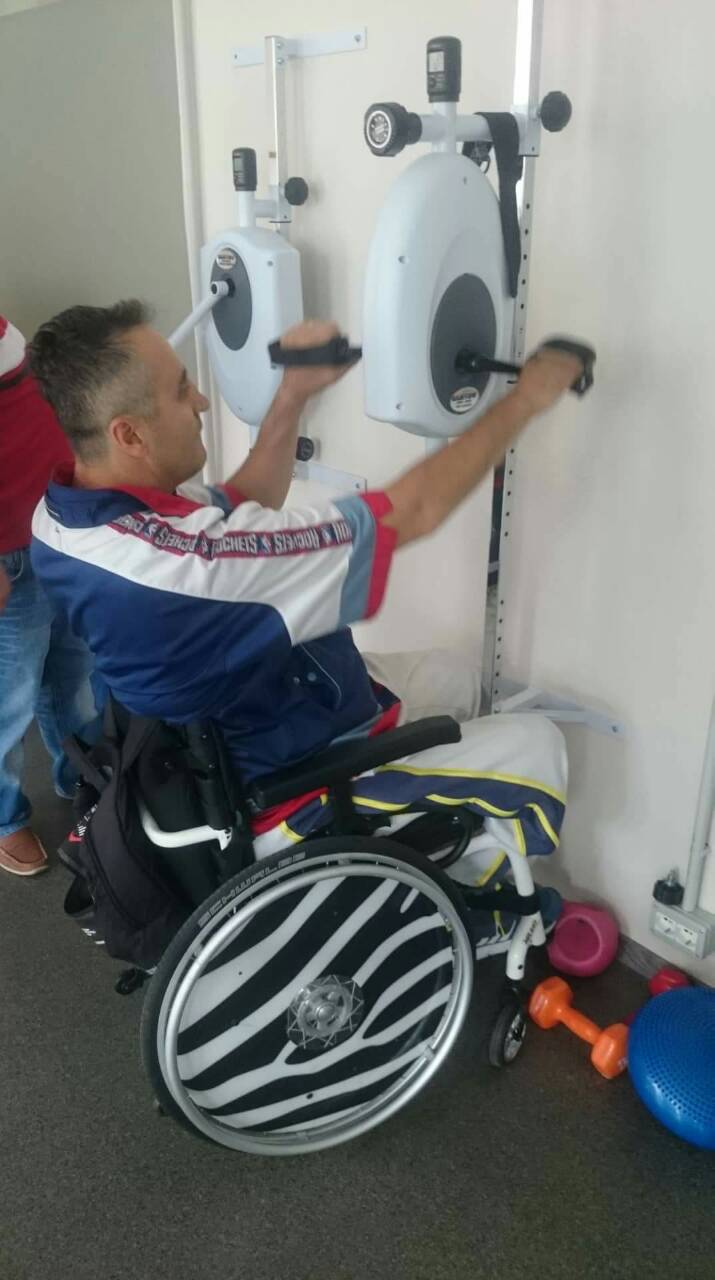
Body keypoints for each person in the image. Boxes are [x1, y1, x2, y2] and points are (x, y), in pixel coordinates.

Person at [28, 301, 583, 947]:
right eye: (181, 391)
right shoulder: (193, 565)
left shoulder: (68, 517)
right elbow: (415, 510)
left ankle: (426, 846)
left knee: (456, 677)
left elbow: (242, 504)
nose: (201, 400)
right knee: (539, 747)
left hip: (248, 725)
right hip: (283, 789)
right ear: (129, 435)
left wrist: (292, 394)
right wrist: (528, 398)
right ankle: (474, 922)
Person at [0, 315, 97, 877]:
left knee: (72, 673)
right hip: (6, 554)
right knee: (8, 699)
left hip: (54, 530)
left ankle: (80, 777)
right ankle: (3, 817)